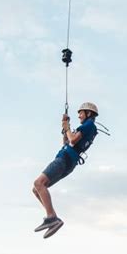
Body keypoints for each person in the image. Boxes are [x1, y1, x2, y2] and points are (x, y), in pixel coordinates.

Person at [32, 102, 99, 239]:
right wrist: (65, 129)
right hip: (69, 161)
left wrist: (68, 127)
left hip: (65, 158)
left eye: (81, 113)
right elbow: (67, 141)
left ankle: (52, 217)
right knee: (36, 189)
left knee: (39, 183)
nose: (79, 115)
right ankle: (53, 218)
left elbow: (73, 140)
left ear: (89, 114)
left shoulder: (89, 125)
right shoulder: (88, 127)